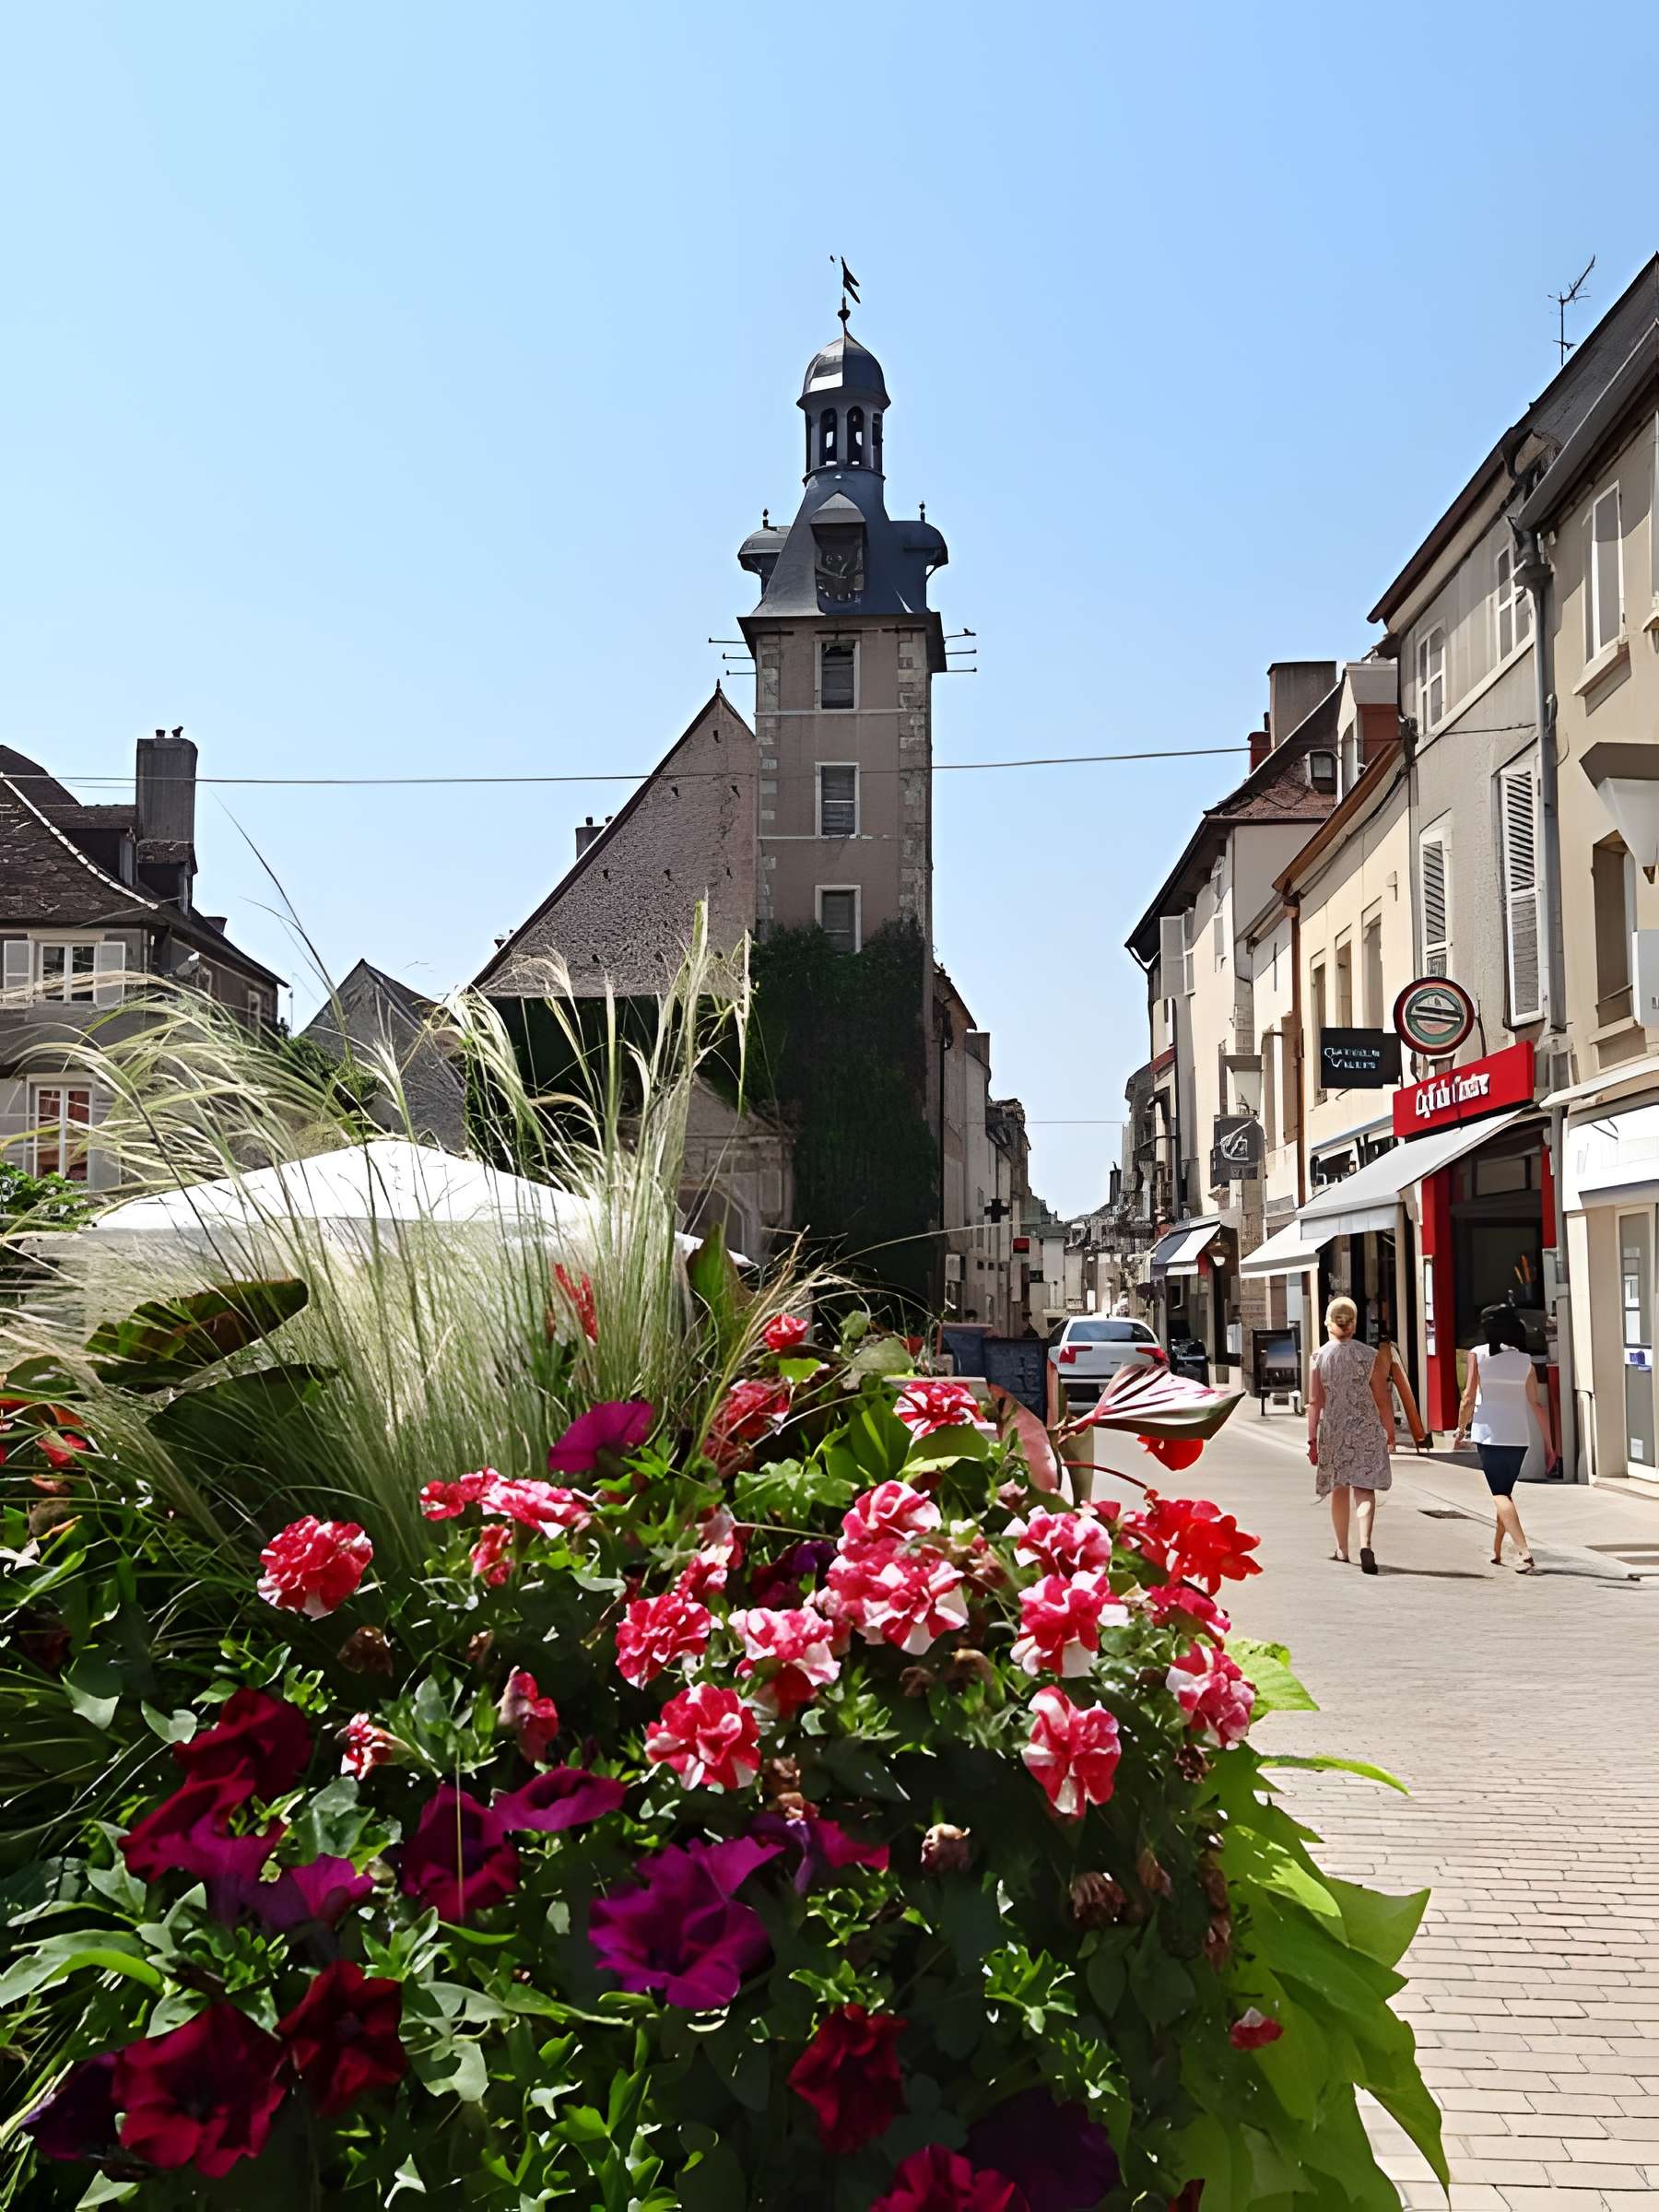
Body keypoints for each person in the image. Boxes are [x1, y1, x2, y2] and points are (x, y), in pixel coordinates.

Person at [1453, 1306, 1557, 1574]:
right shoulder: (1525, 1361)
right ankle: (1497, 1551)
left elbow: (1468, 1395)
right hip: (1519, 1435)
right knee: (1505, 1492)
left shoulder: (1478, 1355)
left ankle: (1524, 1553)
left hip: (1490, 1432)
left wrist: (1461, 1428)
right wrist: (1549, 1444)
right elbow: (1536, 1404)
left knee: (1499, 1493)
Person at [1306, 1295, 1394, 1573]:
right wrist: (1389, 1431)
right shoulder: (1370, 1357)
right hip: (1366, 1428)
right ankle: (1365, 1542)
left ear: (1328, 1323)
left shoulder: (1320, 1357)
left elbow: (1315, 1402)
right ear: (1354, 1324)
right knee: (1364, 1489)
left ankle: (1342, 1549)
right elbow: (1382, 1398)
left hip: (1335, 1428)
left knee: (1339, 1488)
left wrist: (1312, 1439)